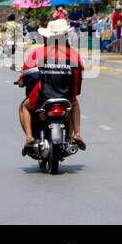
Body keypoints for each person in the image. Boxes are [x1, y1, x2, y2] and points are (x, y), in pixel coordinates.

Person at [17, 17, 87, 155]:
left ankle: (29, 138)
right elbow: (79, 74)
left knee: (24, 107)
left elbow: (26, 73)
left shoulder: (38, 53)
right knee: (74, 104)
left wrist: (20, 80)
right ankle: (77, 134)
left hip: (42, 97)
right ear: (66, 36)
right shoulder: (73, 55)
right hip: (66, 96)